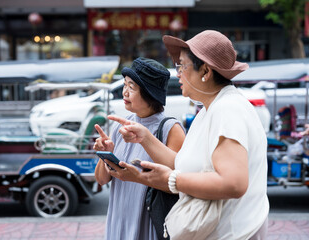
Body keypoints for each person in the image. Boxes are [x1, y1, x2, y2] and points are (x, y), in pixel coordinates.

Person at [107, 30, 269, 239]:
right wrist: (145, 138)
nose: (178, 73)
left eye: (182, 65)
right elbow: (184, 164)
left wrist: (172, 180)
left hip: (234, 233)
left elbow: (234, 183)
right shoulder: (211, 109)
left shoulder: (227, 109)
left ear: (205, 71)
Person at [94, 57, 186, 240]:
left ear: (150, 94)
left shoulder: (171, 129)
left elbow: (180, 182)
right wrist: (105, 154)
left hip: (149, 222)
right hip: (119, 219)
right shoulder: (119, 127)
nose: (125, 92)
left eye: (132, 87)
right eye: (125, 85)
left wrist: (138, 178)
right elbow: (101, 180)